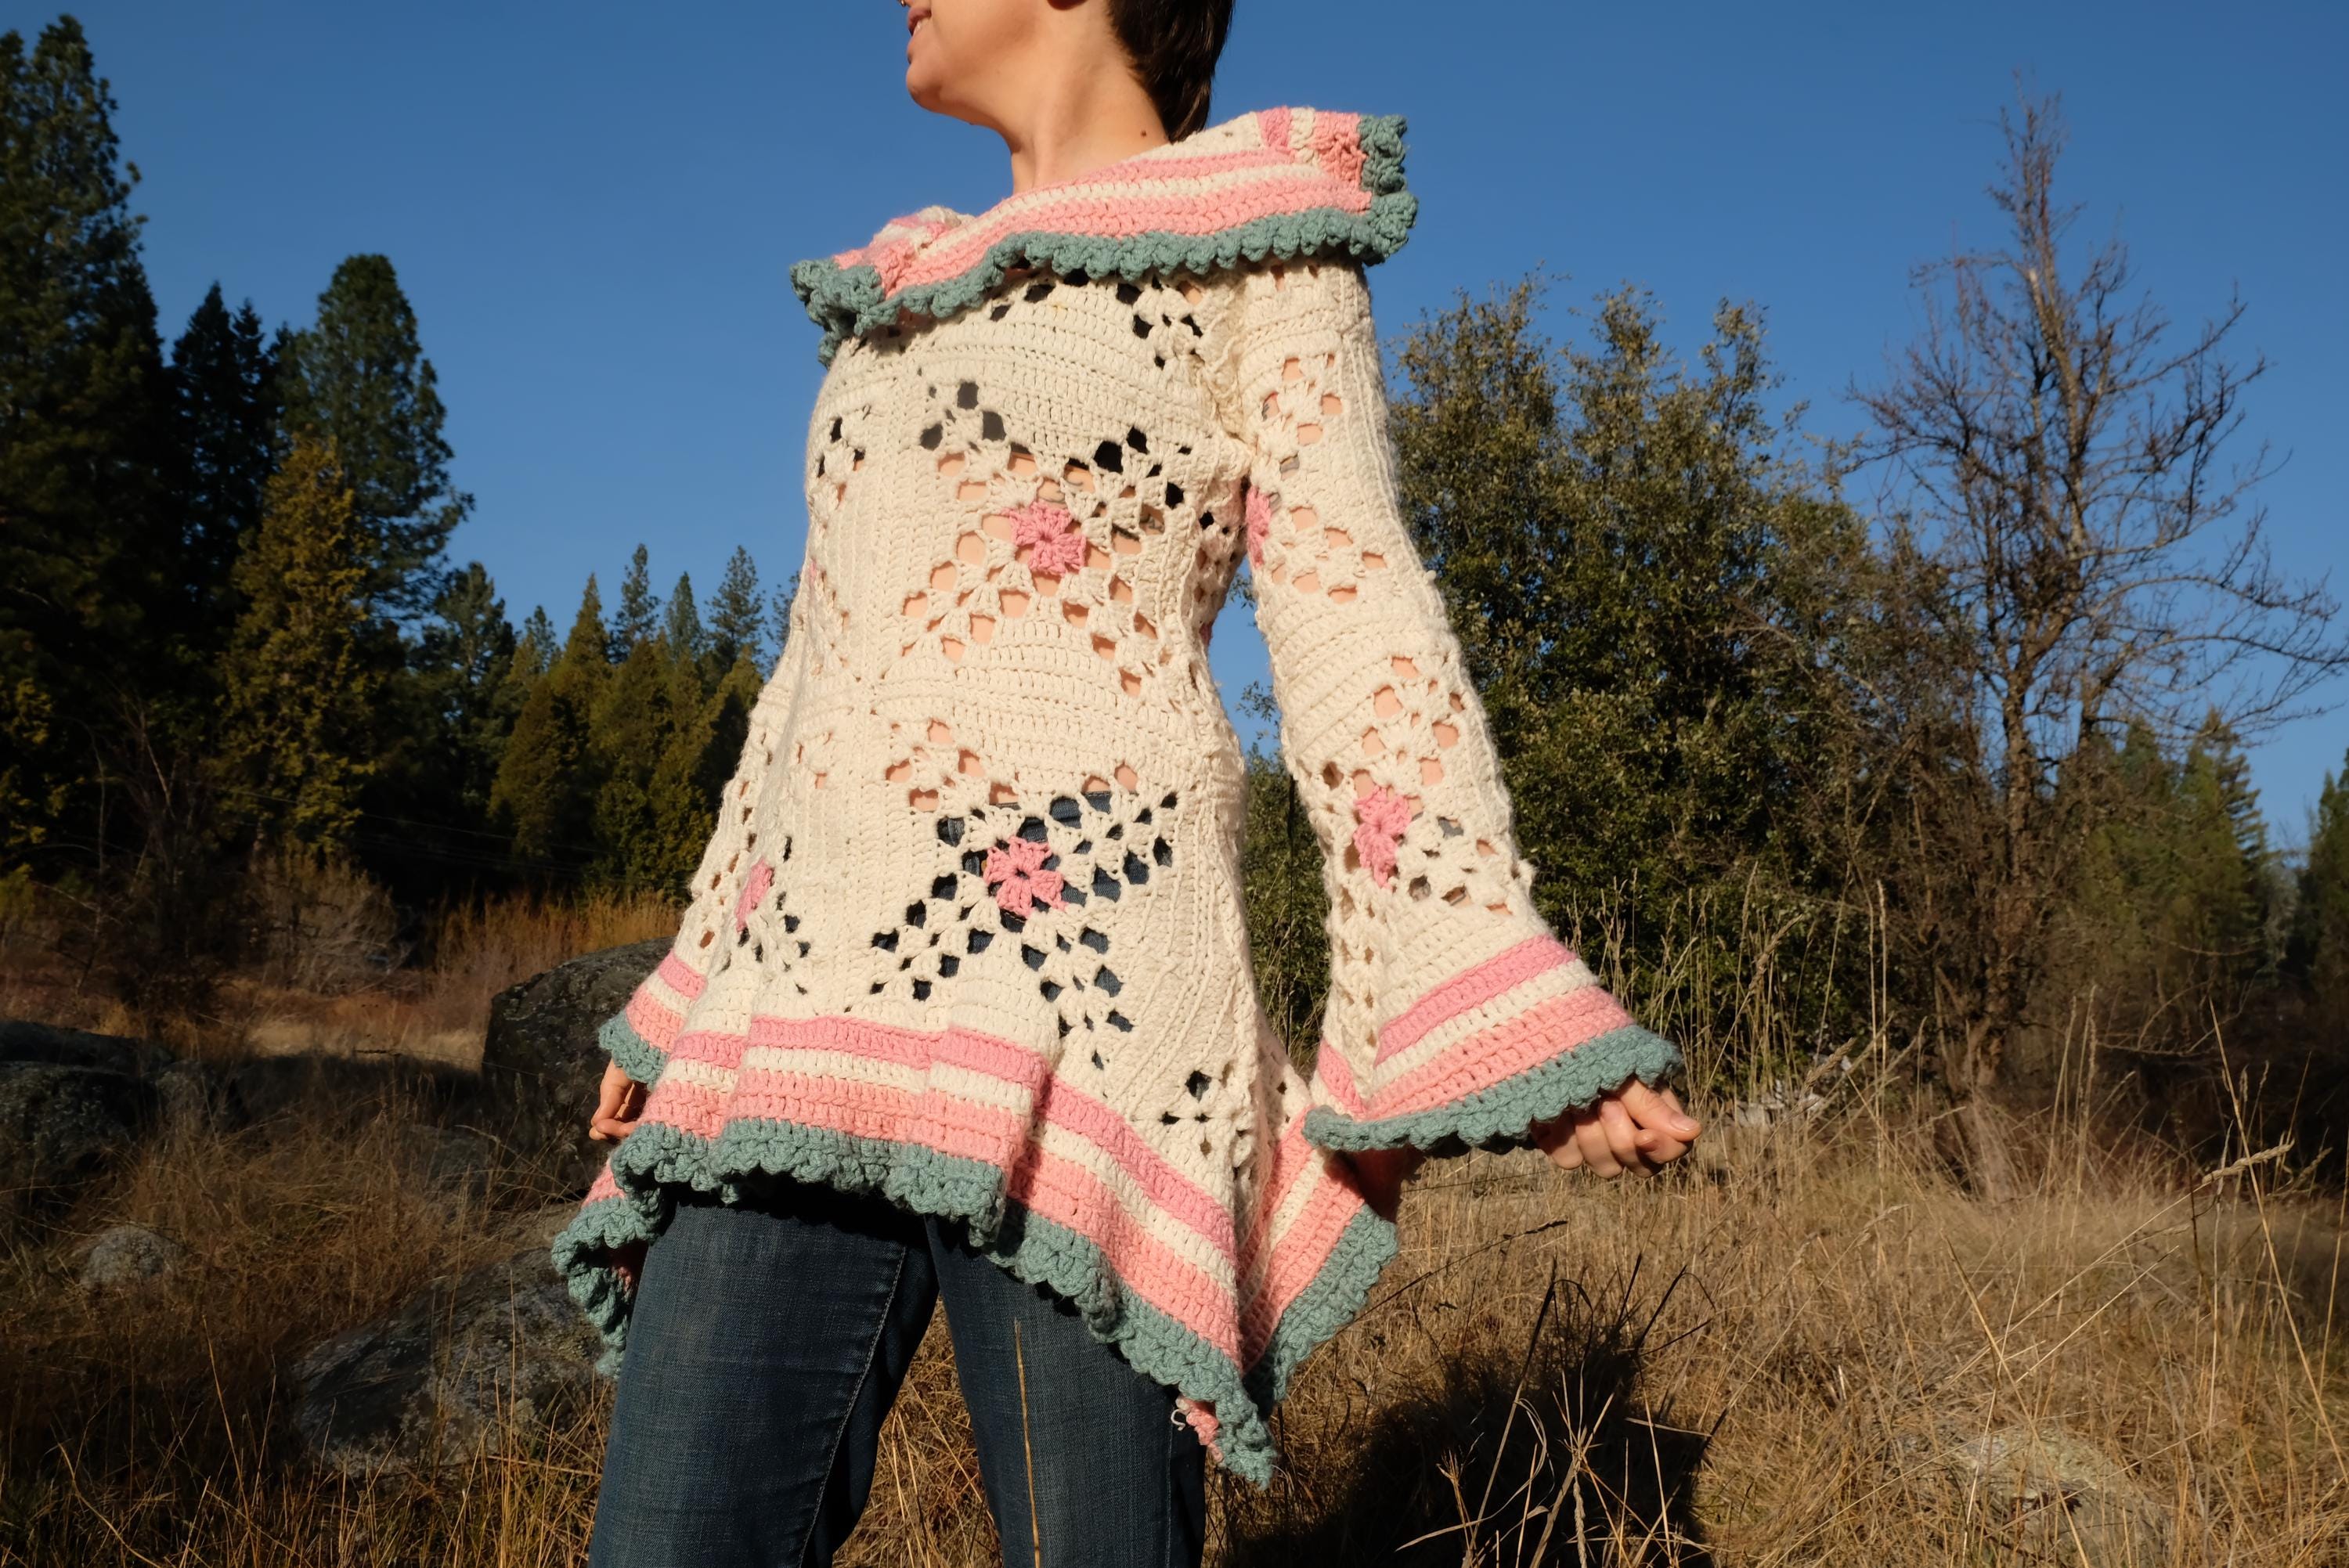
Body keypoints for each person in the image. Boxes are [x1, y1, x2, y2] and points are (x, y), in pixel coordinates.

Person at [559, 2, 1703, 1563]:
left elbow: (1356, 619)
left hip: (1094, 1031)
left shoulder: (1255, 245)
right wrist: (695, 982)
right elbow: (814, 676)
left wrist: (1502, 999)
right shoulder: (901, 289)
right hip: (800, 1012)